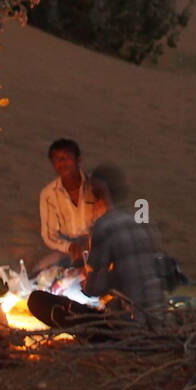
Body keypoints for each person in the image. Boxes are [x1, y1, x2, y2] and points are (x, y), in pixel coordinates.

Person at [27, 163, 167, 340]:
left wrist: (86, 277)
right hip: (159, 323)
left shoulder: (104, 227)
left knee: (38, 301)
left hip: (124, 330)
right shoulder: (146, 223)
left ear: (98, 196)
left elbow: (94, 289)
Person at [34, 137, 103, 273]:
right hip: (67, 248)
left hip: (96, 246)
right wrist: (70, 247)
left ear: (78, 160)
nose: (62, 163)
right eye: (57, 159)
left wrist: (88, 243)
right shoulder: (48, 195)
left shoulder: (96, 187)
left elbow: (105, 223)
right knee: (39, 271)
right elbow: (49, 235)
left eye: (66, 158)